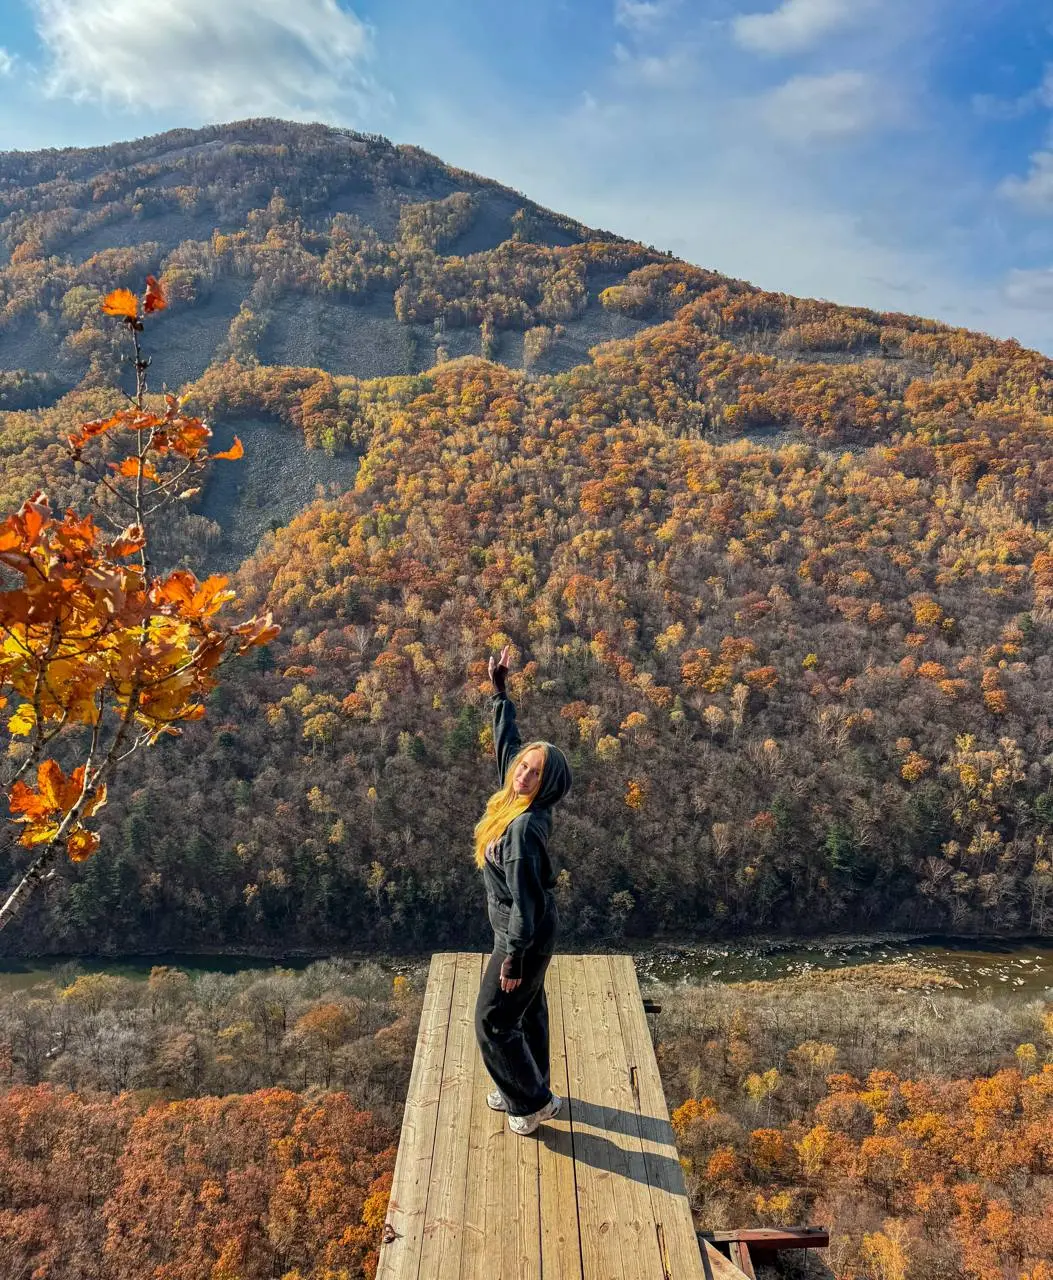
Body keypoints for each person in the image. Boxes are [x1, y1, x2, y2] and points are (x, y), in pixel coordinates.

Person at [473, 644, 572, 1136]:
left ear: (546, 784)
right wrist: (500, 692)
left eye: (534, 772)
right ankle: (525, 1084)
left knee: (492, 1020)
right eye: (524, 766)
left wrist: (513, 957)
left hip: (524, 934)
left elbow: (527, 905)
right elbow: (506, 745)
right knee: (527, 1011)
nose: (523, 772)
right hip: (521, 927)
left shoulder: (523, 831)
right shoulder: (513, 798)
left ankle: (531, 1102)